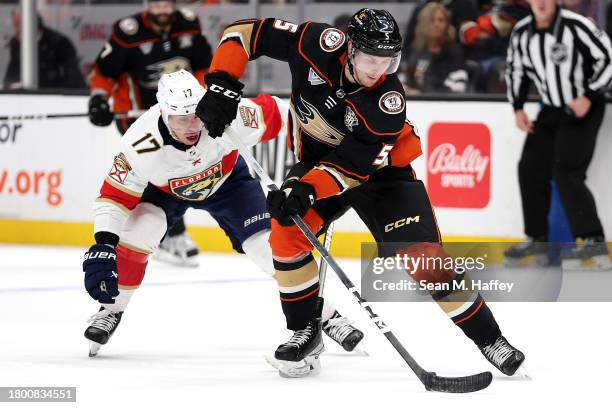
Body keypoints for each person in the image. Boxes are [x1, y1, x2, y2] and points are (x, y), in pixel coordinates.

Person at [196, 8, 525, 377]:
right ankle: (306, 330)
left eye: (387, 60)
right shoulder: (315, 44)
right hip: (320, 164)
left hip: (384, 179)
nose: (377, 69)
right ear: (349, 48)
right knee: (286, 232)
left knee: (426, 261)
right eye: (370, 58)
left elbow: (352, 168)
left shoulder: (388, 103)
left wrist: (303, 188)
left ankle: (490, 339)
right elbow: (245, 32)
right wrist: (223, 83)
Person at [82, 70, 364, 359]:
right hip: (165, 191)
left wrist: (329, 134)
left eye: (197, 114)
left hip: (229, 183)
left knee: (269, 248)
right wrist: (104, 242)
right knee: (142, 229)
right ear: (164, 113)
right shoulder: (140, 144)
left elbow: (283, 112)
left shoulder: (228, 114)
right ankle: (111, 310)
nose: (193, 125)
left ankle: (326, 316)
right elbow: (113, 197)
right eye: (182, 118)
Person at [87, 0, 213, 267]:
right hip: (138, 118)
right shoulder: (128, 31)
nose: (163, 11)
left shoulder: (188, 24)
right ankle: (166, 235)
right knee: (153, 173)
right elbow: (104, 73)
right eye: (157, 4)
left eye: (168, 4)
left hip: (182, 117)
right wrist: (99, 99)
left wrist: (205, 99)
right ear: (147, 5)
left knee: (178, 170)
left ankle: (165, 234)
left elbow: (204, 66)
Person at [504, 0, 612, 270]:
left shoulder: (577, 26)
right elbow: (515, 69)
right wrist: (517, 107)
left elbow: (608, 58)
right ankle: (537, 238)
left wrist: (589, 95)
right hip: (551, 109)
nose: (541, 2)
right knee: (529, 168)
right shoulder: (522, 31)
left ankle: (592, 240)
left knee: (567, 170)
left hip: (582, 107)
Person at [3, 9, 86, 89]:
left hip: (55, 96)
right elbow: (10, 75)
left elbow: (72, 79)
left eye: (18, 24)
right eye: (14, 25)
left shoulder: (59, 43)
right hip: (27, 97)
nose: (16, 30)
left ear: (32, 24)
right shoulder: (16, 43)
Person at [404, 2, 468, 94]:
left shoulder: (454, 52)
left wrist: (425, 95)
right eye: (431, 20)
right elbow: (401, 81)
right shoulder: (414, 50)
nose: (436, 24)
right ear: (423, 24)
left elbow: (458, 87)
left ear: (447, 24)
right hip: (416, 103)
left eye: (441, 20)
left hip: (443, 103)